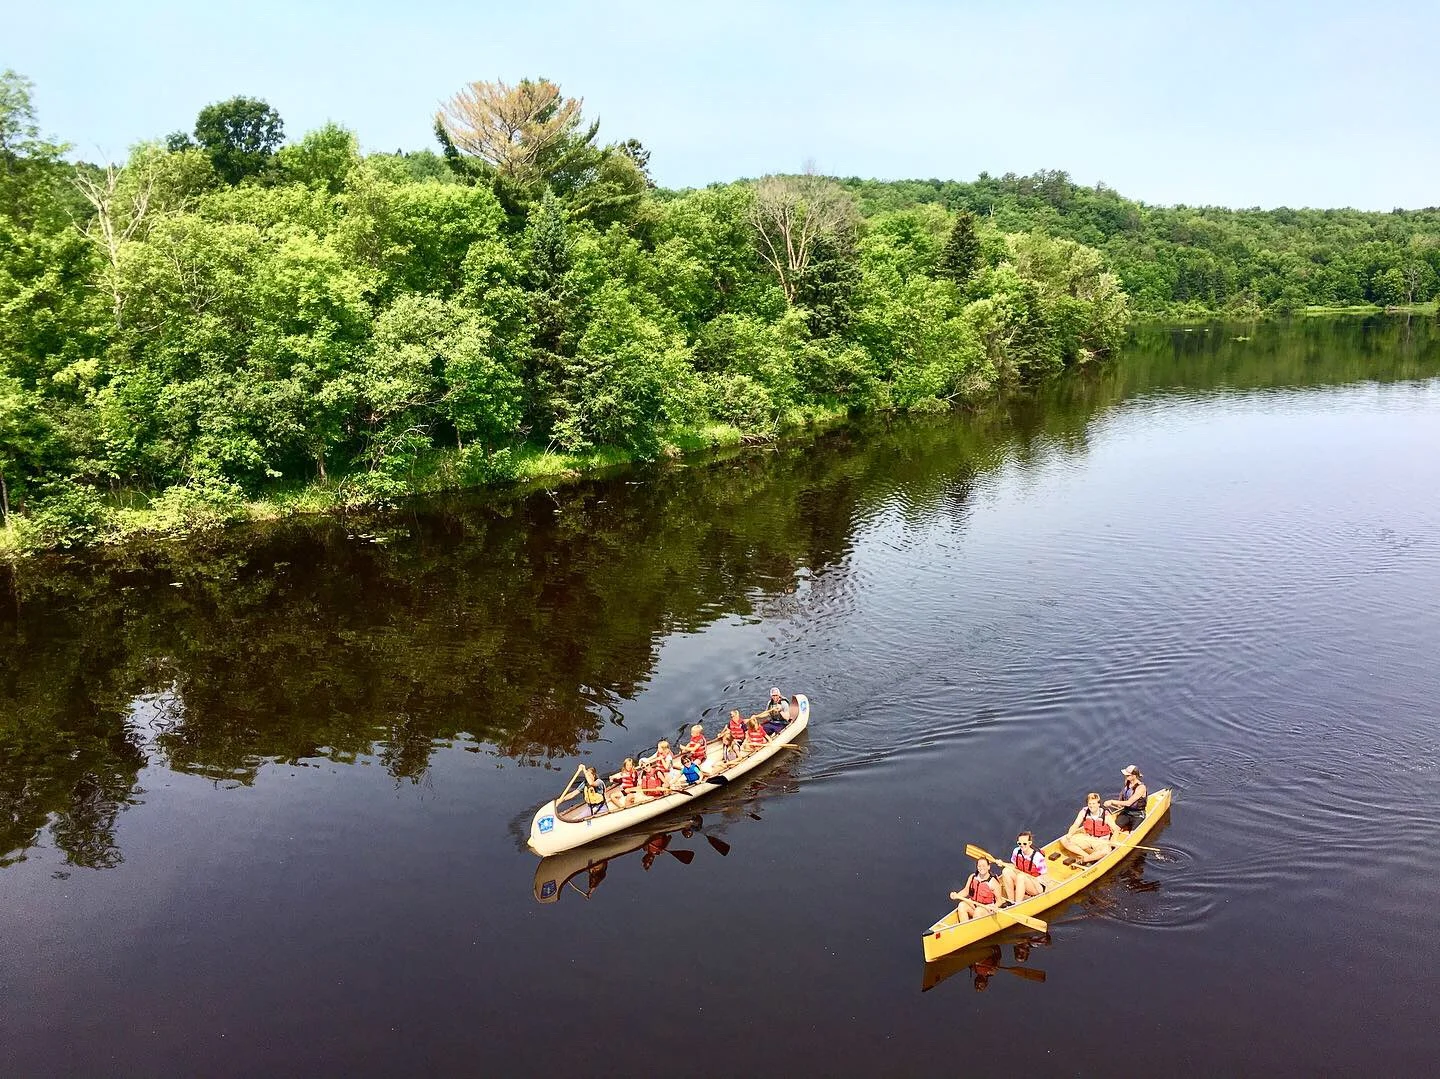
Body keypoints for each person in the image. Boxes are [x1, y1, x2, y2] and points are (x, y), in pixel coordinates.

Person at [1058, 792, 1117, 865]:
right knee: (1064, 840)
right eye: (1090, 804)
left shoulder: (1105, 815)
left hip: (1101, 841)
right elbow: (1075, 824)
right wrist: (1069, 835)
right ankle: (1088, 857)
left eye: (1094, 803)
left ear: (1098, 804)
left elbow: (1116, 829)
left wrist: (1112, 841)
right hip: (1087, 838)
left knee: (1106, 852)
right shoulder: (1084, 812)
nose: (1092, 806)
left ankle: (1084, 859)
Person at [949, 857, 1006, 923]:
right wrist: (956, 895)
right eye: (979, 866)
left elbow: (999, 901)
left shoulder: (993, 882)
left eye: (984, 866)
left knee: (978, 911)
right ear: (977, 867)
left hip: (987, 909)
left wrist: (994, 906)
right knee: (961, 905)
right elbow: (965, 891)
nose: (982, 868)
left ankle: (974, 929)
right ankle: (966, 927)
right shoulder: (972, 877)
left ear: (988, 867)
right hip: (975, 905)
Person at [1002, 830, 1051, 904]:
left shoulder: (1037, 857)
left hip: (1037, 886)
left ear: (1029, 843)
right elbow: (1014, 866)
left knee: (1021, 877)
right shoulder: (1016, 851)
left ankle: (1017, 904)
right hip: (1022, 878)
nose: (1022, 845)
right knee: (1006, 871)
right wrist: (1002, 863)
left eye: (1024, 843)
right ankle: (1011, 901)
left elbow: (1044, 876)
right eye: (1019, 843)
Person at [1105, 765, 1148, 833]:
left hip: (1138, 814)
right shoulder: (1127, 781)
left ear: (1134, 776)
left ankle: (1131, 832)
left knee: (1132, 833)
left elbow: (1129, 803)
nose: (1126, 776)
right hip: (1126, 812)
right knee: (1114, 828)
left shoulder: (1141, 788)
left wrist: (1112, 801)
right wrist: (1120, 802)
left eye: (1128, 775)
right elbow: (1122, 793)